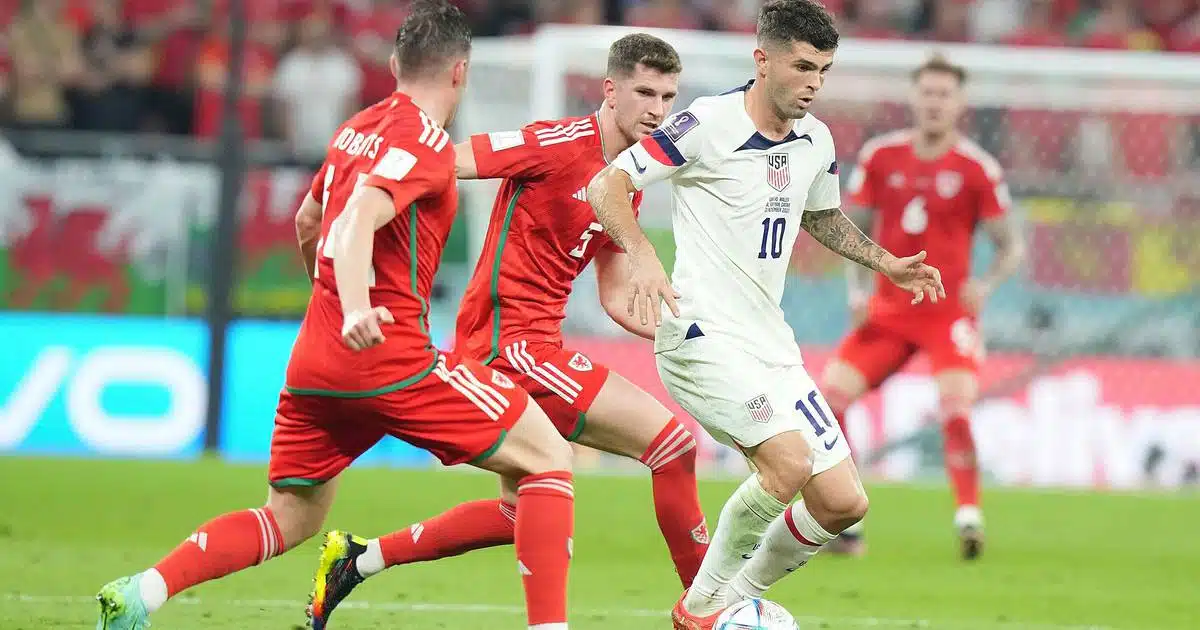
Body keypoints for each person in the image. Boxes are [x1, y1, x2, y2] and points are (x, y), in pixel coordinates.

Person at [95, 4, 576, 630]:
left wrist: (331, 303)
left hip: (316, 359)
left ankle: (143, 592)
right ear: (461, 72)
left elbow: (309, 220)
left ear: (395, 64)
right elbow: (354, 222)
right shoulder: (427, 142)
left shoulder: (355, 130)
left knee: (289, 517)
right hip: (389, 357)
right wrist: (355, 308)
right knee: (547, 459)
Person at [305, 33, 710, 621]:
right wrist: (368, 196)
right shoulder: (555, 143)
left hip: (537, 343)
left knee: (521, 511)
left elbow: (616, 296)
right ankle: (707, 607)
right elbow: (448, 159)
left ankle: (358, 559)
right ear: (610, 90)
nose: (657, 110)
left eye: (668, 97)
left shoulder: (625, 182)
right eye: (645, 93)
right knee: (672, 446)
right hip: (508, 342)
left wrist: (686, 333)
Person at [585, 2, 946, 628]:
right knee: (788, 462)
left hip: (769, 343)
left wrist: (885, 262)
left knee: (842, 503)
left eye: (823, 71)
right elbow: (607, 185)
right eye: (802, 67)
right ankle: (701, 609)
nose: (814, 83)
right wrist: (642, 255)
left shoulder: (816, 140)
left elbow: (821, 215)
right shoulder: (706, 123)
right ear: (762, 60)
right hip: (700, 334)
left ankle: (734, 598)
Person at [822, 54, 1025, 560]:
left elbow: (1011, 246)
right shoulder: (881, 157)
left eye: (944, 94)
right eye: (928, 92)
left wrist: (986, 285)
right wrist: (856, 292)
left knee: (956, 410)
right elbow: (851, 230)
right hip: (889, 310)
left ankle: (969, 517)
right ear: (914, 98)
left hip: (948, 312)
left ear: (960, 104)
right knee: (831, 401)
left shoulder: (977, 168)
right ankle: (848, 525)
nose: (935, 102)